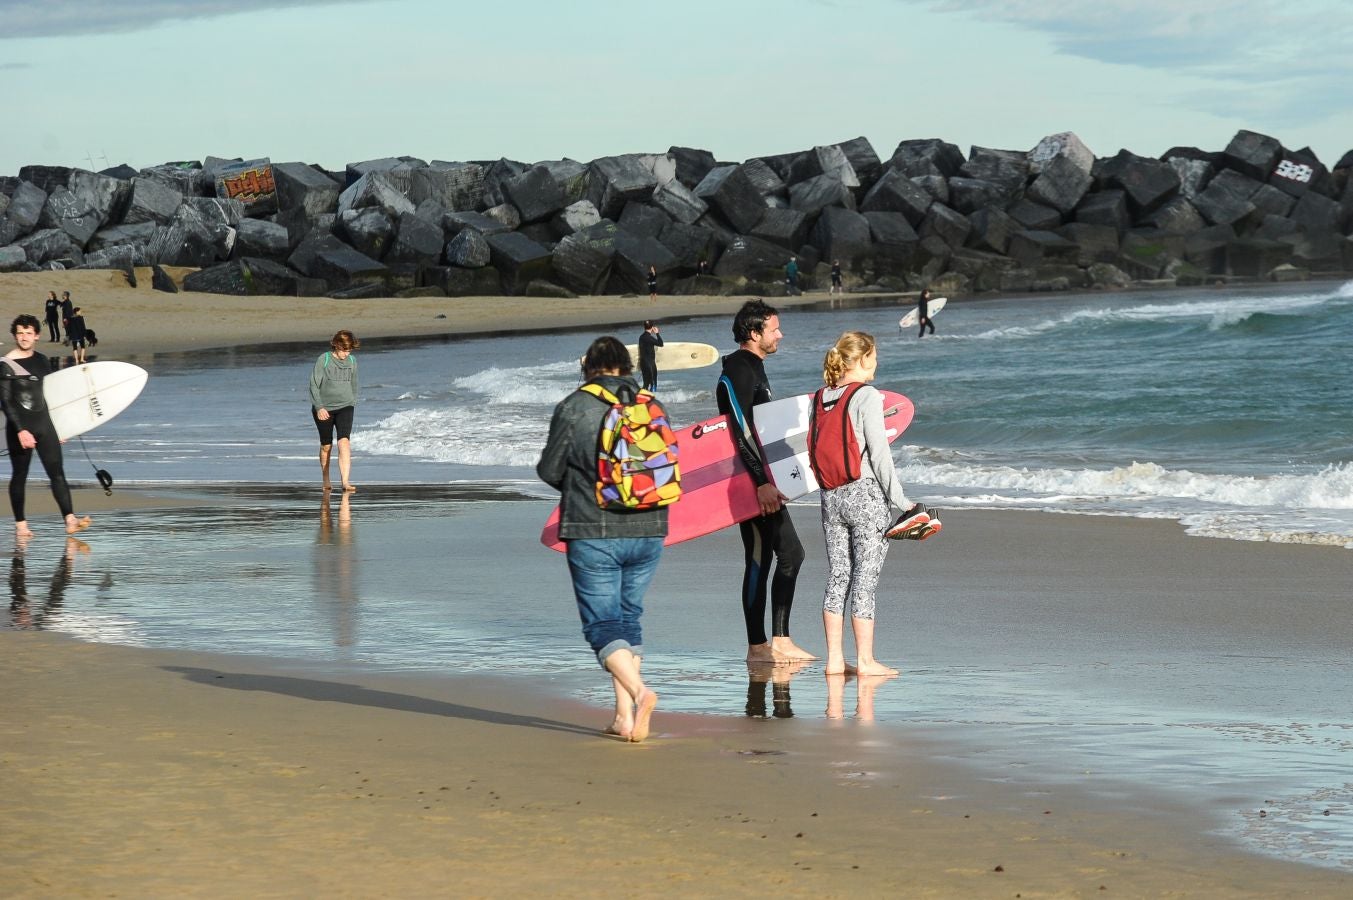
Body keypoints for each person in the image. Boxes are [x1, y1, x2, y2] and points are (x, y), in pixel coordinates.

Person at [537, 336, 666, 743]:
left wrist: (580, 484)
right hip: (649, 527)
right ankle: (623, 718)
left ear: (588, 367)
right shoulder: (651, 404)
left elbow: (550, 469)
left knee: (603, 625)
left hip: (593, 529)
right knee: (628, 619)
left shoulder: (574, 407)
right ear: (625, 368)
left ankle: (640, 694)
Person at [809, 331, 933, 677]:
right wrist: (903, 502)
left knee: (837, 576)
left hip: (830, 496)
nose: (877, 362)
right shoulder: (866, 395)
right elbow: (880, 456)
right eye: (874, 356)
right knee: (864, 579)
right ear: (862, 359)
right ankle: (865, 662)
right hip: (865, 496)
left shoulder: (821, 397)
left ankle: (835, 661)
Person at [716, 299, 814, 664]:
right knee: (760, 557)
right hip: (749, 481)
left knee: (791, 554)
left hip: (761, 479)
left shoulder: (752, 367)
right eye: (774, 329)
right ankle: (757, 647)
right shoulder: (740, 368)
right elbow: (738, 430)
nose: (780, 334)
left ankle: (780, 640)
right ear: (754, 333)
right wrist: (760, 482)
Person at [0, 315, 92, 539]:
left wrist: (61, 426)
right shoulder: (6, 364)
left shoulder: (42, 360)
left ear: (37, 335)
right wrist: (21, 430)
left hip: (45, 424)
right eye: (20, 333)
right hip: (20, 428)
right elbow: (5, 401)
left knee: (57, 474)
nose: (24, 337)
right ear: (15, 335)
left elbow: (52, 395)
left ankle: (70, 520)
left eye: (28, 333)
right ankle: (21, 524)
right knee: (20, 475)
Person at [309, 330, 360, 493]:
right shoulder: (323, 359)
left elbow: (354, 384)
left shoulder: (352, 361)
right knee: (326, 445)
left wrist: (352, 402)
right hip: (324, 409)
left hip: (346, 406)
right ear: (336, 345)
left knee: (344, 441)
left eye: (349, 350)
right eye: (344, 349)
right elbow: (313, 385)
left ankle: (345, 482)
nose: (346, 353)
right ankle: (326, 477)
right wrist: (319, 407)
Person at [637, 320, 663, 392]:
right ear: (652, 327)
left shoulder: (641, 337)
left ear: (644, 327)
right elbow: (661, 343)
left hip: (643, 363)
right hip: (650, 364)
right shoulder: (650, 338)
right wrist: (657, 333)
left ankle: (641, 398)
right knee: (653, 384)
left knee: (645, 384)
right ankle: (653, 400)